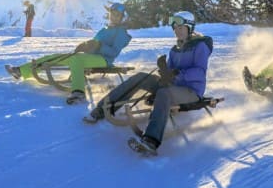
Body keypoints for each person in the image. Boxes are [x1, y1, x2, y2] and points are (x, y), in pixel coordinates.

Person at [86, 10, 213, 157]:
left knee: (164, 93)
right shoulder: (175, 49)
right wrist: (164, 70)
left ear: (189, 28)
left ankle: (151, 140)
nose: (177, 31)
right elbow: (169, 73)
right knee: (141, 77)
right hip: (173, 85)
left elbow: (199, 72)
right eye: (175, 28)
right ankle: (104, 108)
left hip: (191, 91)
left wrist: (176, 75)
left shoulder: (200, 46)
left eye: (181, 28)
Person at [6, 2, 132, 103]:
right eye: (112, 14)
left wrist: (99, 45)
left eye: (117, 15)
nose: (114, 17)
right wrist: (85, 46)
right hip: (91, 57)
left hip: (104, 60)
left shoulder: (121, 32)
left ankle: (79, 92)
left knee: (76, 60)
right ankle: (21, 71)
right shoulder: (104, 29)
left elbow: (114, 52)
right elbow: (94, 43)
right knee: (58, 57)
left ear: (122, 18)